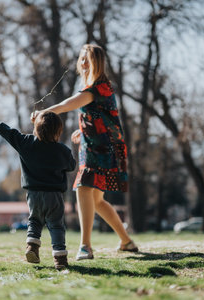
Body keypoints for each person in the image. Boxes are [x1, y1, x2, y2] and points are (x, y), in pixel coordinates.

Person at [31, 44, 138, 260]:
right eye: (81, 59)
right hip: (100, 146)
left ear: (98, 63)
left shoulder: (96, 89)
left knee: (82, 188)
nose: (83, 63)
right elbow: (102, 116)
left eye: (88, 59)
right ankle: (126, 241)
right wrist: (82, 129)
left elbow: (69, 104)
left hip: (100, 150)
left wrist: (44, 112)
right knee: (97, 201)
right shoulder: (99, 87)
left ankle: (85, 247)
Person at [0, 111, 76, 270]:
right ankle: (60, 259)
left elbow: (10, 134)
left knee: (35, 220)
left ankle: (32, 247)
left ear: (36, 129)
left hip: (33, 195)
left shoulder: (26, 143)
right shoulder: (63, 151)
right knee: (56, 225)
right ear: (59, 132)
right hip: (54, 196)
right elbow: (71, 166)